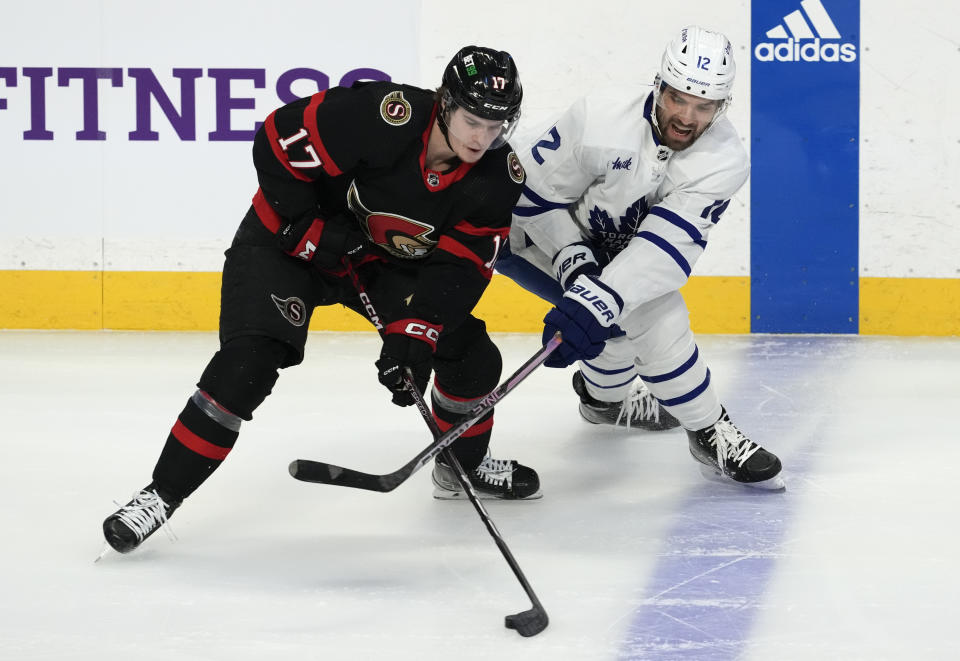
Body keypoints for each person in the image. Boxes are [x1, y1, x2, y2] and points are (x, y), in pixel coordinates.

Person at [103, 45, 539, 555]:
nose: (483, 139)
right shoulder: (382, 117)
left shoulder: (496, 176)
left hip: (374, 262)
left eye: (497, 126)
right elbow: (275, 140)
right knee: (248, 364)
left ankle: (458, 465)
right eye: (472, 122)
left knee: (469, 355)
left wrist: (415, 333)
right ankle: (161, 494)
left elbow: (461, 267)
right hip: (284, 242)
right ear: (444, 103)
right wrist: (303, 224)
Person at [495, 26, 784, 489]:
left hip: (614, 249)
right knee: (651, 314)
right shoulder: (600, 116)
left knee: (617, 325)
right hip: (527, 235)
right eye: (678, 98)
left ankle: (602, 401)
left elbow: (664, 248)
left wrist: (600, 295)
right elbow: (533, 199)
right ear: (658, 85)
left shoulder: (723, 161)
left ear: (722, 107)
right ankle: (708, 431)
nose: (687, 117)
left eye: (704, 106)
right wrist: (576, 263)